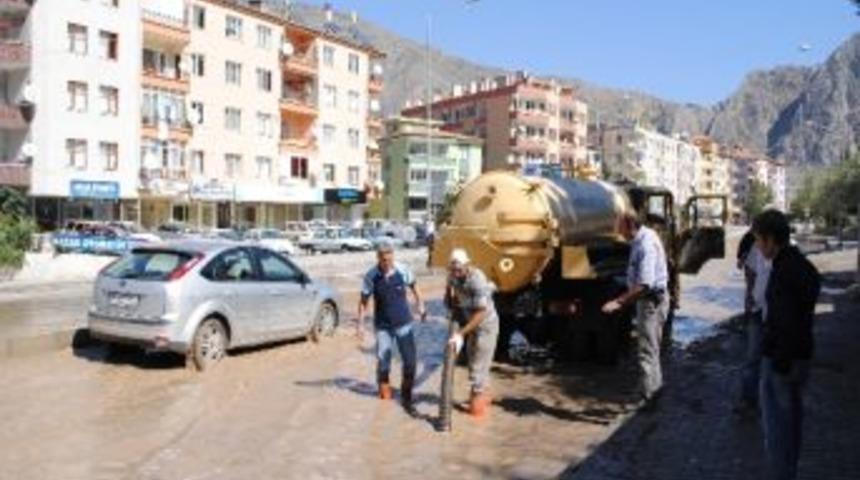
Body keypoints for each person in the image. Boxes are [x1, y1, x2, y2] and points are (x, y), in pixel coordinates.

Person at [753, 209, 820, 480]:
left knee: (778, 433)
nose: (758, 247)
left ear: (771, 239)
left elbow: (783, 321)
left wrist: (779, 362)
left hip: (782, 363)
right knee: (791, 427)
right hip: (801, 356)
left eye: (759, 240)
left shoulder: (783, 271)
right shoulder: (802, 265)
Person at [602, 213, 670, 407]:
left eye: (620, 226)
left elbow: (645, 284)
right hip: (650, 300)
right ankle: (652, 391)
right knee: (651, 349)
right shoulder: (642, 238)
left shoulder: (645, 244)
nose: (617, 231)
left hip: (650, 302)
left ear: (630, 225)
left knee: (646, 351)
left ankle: (647, 398)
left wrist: (619, 302)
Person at [357, 242, 427, 413]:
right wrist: (360, 324)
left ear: (393, 256)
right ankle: (384, 388)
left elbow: (415, 287)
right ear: (378, 258)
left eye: (389, 257)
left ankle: (406, 393)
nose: (387, 261)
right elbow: (363, 301)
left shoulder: (403, 270)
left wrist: (421, 305)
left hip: (404, 323)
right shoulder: (371, 276)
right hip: (383, 326)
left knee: (410, 361)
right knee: (383, 360)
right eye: (383, 258)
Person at [445, 249, 499, 418]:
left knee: (478, 366)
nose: (456, 272)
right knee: (473, 362)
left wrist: (461, 333)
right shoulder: (452, 276)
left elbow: (481, 313)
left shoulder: (477, 279)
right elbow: (449, 298)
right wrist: (450, 298)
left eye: (459, 269)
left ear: (467, 265)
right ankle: (483, 397)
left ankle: (477, 411)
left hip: (486, 325)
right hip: (471, 324)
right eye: (453, 269)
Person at [735, 229, 772, 415]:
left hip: (777, 317)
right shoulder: (756, 247)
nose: (757, 242)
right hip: (758, 312)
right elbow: (748, 270)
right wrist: (750, 298)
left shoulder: (790, 256)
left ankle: (770, 402)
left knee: (773, 361)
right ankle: (749, 400)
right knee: (752, 358)